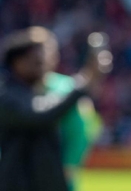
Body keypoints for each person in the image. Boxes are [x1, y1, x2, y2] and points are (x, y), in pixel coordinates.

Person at [0, 27, 107, 191]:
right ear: (18, 62)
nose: (43, 68)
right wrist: (84, 83)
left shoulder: (31, 92)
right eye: (37, 62)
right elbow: (39, 114)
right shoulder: (7, 95)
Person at [34, 26, 106, 191]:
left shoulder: (67, 89)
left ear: (55, 57)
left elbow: (80, 133)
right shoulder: (12, 92)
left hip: (56, 178)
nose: (38, 59)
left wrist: (69, 166)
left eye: (43, 52)